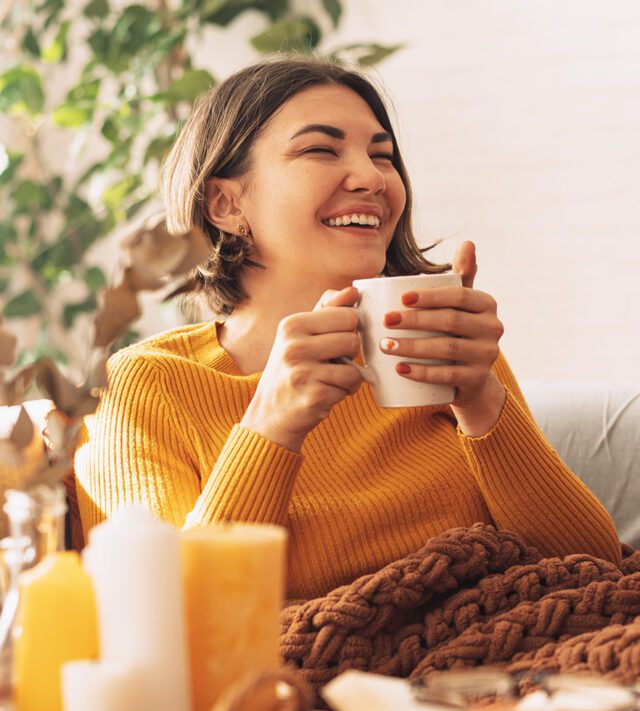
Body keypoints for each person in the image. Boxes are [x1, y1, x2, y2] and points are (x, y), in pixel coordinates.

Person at [74, 56, 621, 600]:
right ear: (224, 202)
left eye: (382, 156)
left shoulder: (442, 344)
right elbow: (163, 620)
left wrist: (482, 401)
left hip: (515, 655)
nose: (372, 178)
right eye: (320, 149)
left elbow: (597, 571)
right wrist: (272, 426)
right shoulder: (146, 385)